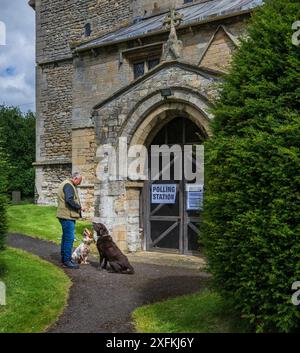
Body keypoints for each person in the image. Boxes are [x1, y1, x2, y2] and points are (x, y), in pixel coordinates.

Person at [57, 172, 85, 269]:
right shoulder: (68, 185)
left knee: (66, 238)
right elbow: (69, 200)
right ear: (75, 178)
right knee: (69, 238)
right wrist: (79, 207)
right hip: (67, 216)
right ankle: (67, 261)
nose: (79, 184)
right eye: (79, 181)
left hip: (64, 215)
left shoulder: (66, 183)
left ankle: (65, 259)